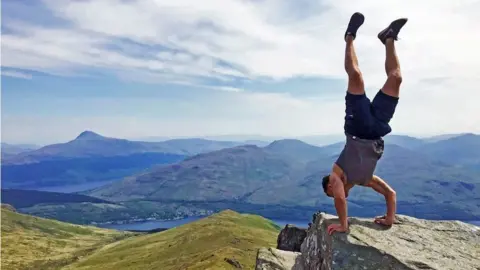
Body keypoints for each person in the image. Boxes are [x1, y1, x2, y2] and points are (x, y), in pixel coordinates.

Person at [321, 12, 408, 235]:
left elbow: (340, 198)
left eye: (331, 192)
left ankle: (349, 36)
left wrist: (343, 225)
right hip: (377, 128)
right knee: (396, 78)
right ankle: (388, 38)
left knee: (356, 76)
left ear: (330, 186)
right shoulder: (366, 179)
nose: (337, 193)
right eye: (334, 193)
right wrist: (390, 218)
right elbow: (391, 194)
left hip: (357, 127)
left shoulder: (336, 174)